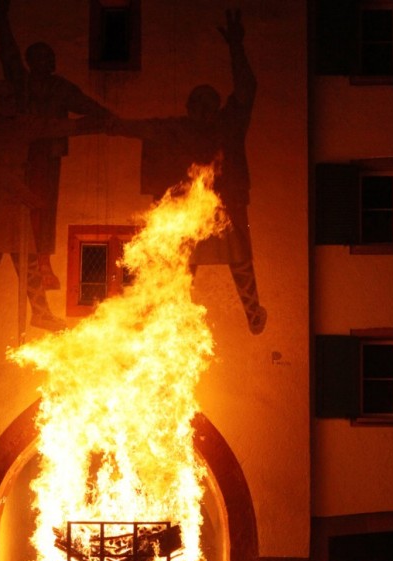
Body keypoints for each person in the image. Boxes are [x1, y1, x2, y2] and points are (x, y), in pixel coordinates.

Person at [110, 8, 266, 335]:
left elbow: (247, 88)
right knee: (183, 261)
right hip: (185, 207)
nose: (204, 110)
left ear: (217, 106)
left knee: (240, 258)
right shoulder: (175, 129)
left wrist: (236, 46)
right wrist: (106, 123)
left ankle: (252, 310)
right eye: (198, 104)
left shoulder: (230, 123)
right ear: (189, 109)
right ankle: (171, 318)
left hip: (225, 201)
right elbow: (140, 129)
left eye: (209, 104)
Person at [0, 78, 107, 358]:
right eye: (6, 98)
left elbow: (53, 126)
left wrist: (89, 123)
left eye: (14, 98)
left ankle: (41, 313)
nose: (12, 103)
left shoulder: (22, 125)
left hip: (15, 207)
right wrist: (27, 195)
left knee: (27, 262)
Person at [0, 0, 115, 290]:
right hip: (19, 155)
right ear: (31, 61)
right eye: (38, 57)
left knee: (45, 210)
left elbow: (86, 105)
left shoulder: (60, 88)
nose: (44, 62)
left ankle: (43, 262)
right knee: (9, 208)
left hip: (47, 156)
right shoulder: (20, 82)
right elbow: (7, 53)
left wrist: (110, 119)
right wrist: (1, 17)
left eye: (48, 58)